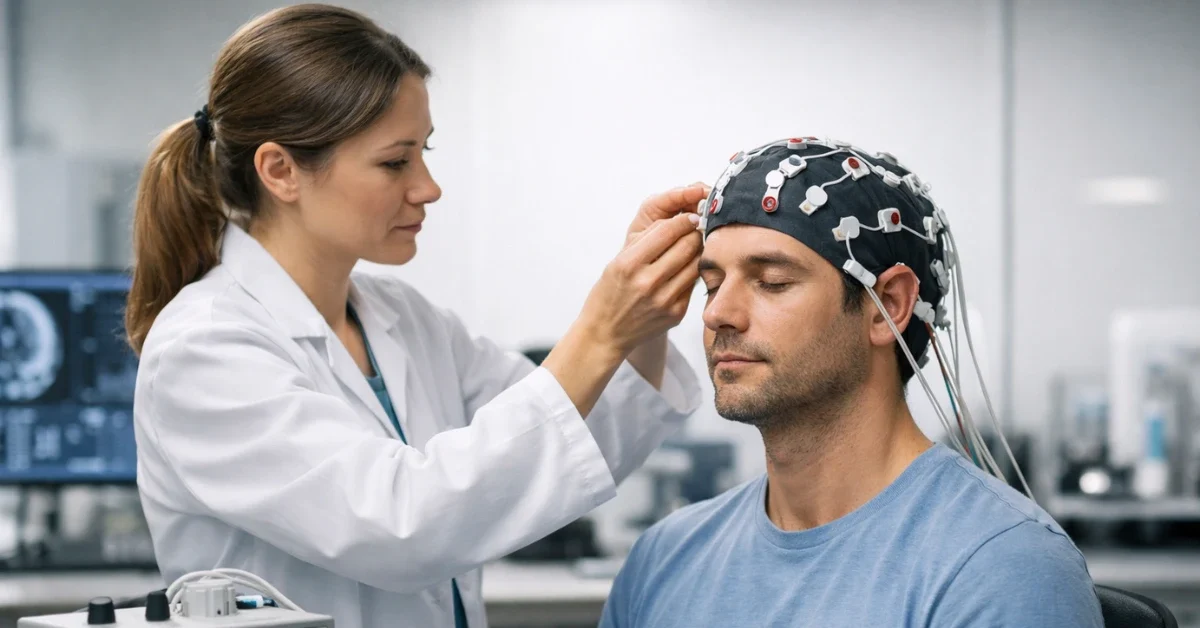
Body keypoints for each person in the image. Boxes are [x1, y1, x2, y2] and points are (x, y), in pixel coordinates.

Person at [126, 5, 708, 628]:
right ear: (281, 171)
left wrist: (644, 326)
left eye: (423, 153)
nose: (427, 187)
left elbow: (569, 440)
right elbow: (402, 526)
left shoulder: (404, 319)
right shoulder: (205, 348)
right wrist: (600, 328)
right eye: (395, 161)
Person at [599, 138, 1104, 626]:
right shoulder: (664, 560)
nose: (718, 314)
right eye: (712, 285)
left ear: (890, 307)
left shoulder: (999, 567)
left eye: (772, 282)